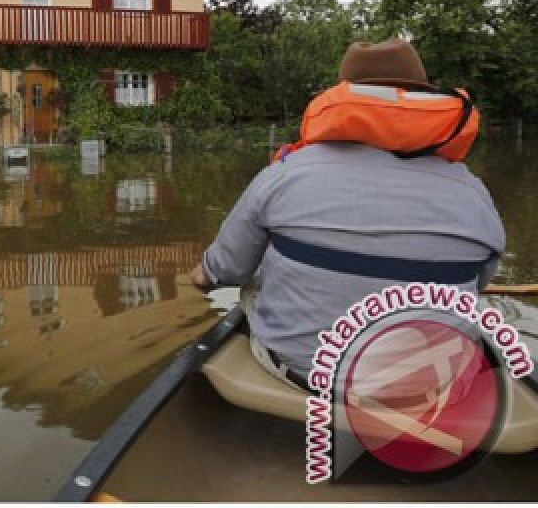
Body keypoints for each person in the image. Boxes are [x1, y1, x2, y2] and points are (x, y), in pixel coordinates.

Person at [191, 38, 505, 389]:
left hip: (310, 375)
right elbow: (480, 281)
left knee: (257, 273)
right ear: (423, 98)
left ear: (341, 93)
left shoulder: (285, 174)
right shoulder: (472, 191)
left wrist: (202, 277)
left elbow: (222, 272)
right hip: (434, 383)